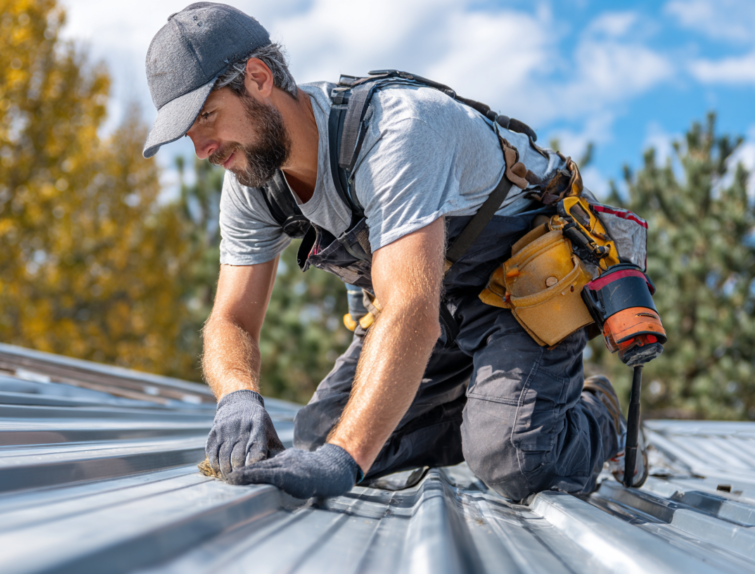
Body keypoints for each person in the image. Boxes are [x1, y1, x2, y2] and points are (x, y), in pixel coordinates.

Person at [142, 2, 646, 501]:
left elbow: (408, 310)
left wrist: (347, 459)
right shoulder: (252, 178)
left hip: (521, 294)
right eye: (190, 133)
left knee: (515, 458)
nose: (203, 149)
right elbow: (230, 319)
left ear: (257, 77)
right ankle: (490, 409)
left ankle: (597, 414)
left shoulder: (394, 131)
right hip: (437, 304)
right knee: (319, 438)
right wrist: (237, 395)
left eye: (208, 116)